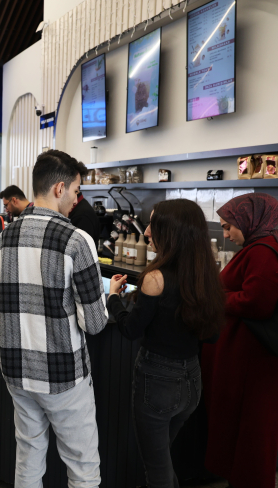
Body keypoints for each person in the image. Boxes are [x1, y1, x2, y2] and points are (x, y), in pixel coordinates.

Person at [0, 149, 108, 488]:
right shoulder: (77, 241)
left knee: (28, 456)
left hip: (16, 370)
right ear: (59, 188)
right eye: (76, 191)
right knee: (82, 466)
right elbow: (95, 323)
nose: (77, 200)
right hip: (63, 374)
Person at [107, 199, 225, 488]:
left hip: (158, 382)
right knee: (162, 461)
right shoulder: (206, 276)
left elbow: (131, 329)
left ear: (171, 231)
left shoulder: (156, 278)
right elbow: (211, 335)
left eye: (153, 225)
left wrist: (113, 299)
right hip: (191, 382)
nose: (147, 231)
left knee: (157, 470)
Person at [202, 193, 278, 488]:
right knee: (244, 433)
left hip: (254, 362)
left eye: (228, 227)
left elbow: (257, 302)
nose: (226, 234)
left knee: (252, 434)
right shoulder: (264, 246)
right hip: (250, 358)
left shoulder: (263, 251)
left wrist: (216, 298)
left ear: (249, 220)